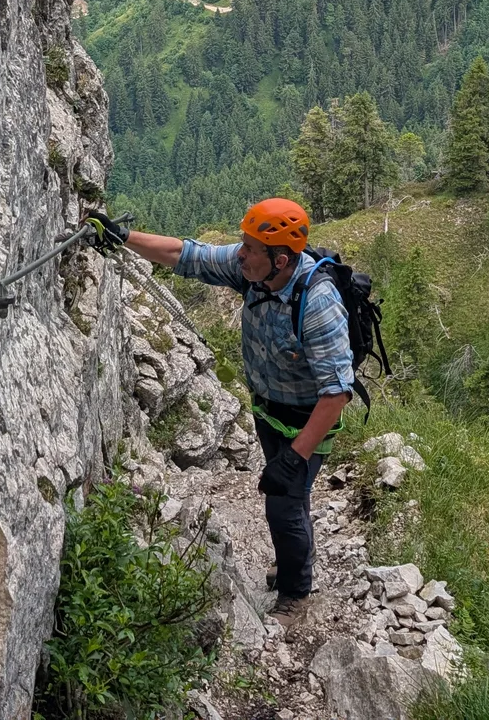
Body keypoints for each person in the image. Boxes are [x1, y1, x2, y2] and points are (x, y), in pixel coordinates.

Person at [90, 197, 352, 615]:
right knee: (291, 498)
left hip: (308, 421)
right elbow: (186, 255)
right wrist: (121, 237)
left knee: (283, 502)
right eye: (242, 245)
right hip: (269, 410)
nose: (240, 254)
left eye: (249, 248)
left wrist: (295, 457)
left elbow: (336, 393)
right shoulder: (256, 271)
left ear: (281, 260)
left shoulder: (318, 303)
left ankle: (295, 595)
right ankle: (293, 559)